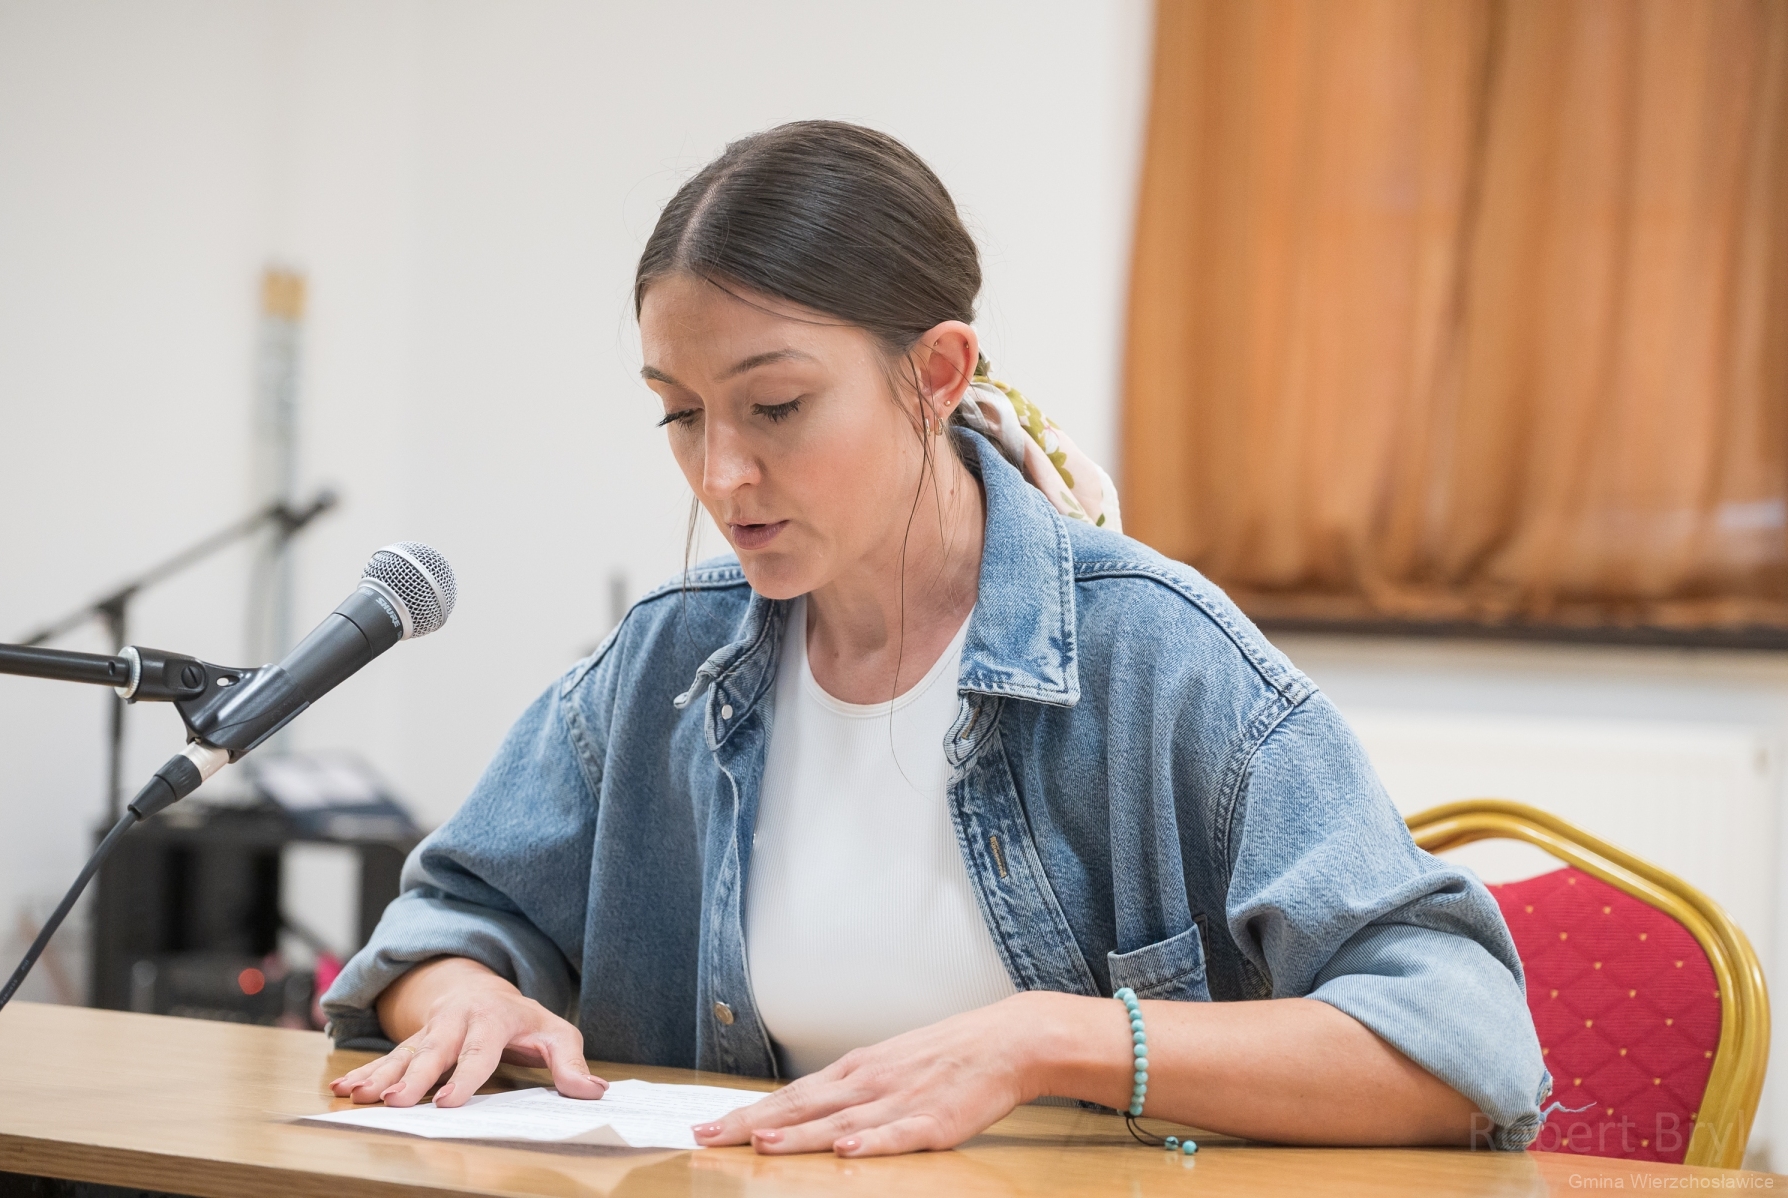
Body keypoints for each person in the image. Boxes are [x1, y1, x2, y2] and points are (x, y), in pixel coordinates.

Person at [323, 120, 1549, 1157]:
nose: (723, 473)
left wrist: (1052, 1039)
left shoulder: (1155, 656)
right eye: (681, 415)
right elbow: (442, 924)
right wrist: (466, 996)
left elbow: (1463, 1038)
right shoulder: (665, 664)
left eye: (777, 405)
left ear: (938, 373)